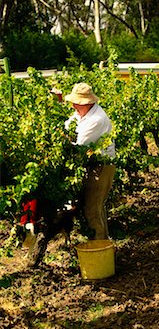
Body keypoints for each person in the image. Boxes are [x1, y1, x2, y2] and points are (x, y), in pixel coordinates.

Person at [64, 82, 116, 240]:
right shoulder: (82, 113)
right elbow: (67, 126)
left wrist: (63, 140)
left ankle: (99, 250)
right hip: (93, 165)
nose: (73, 105)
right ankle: (104, 244)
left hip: (101, 168)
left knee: (92, 210)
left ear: (88, 103)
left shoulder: (96, 120)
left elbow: (78, 146)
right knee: (96, 208)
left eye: (77, 103)